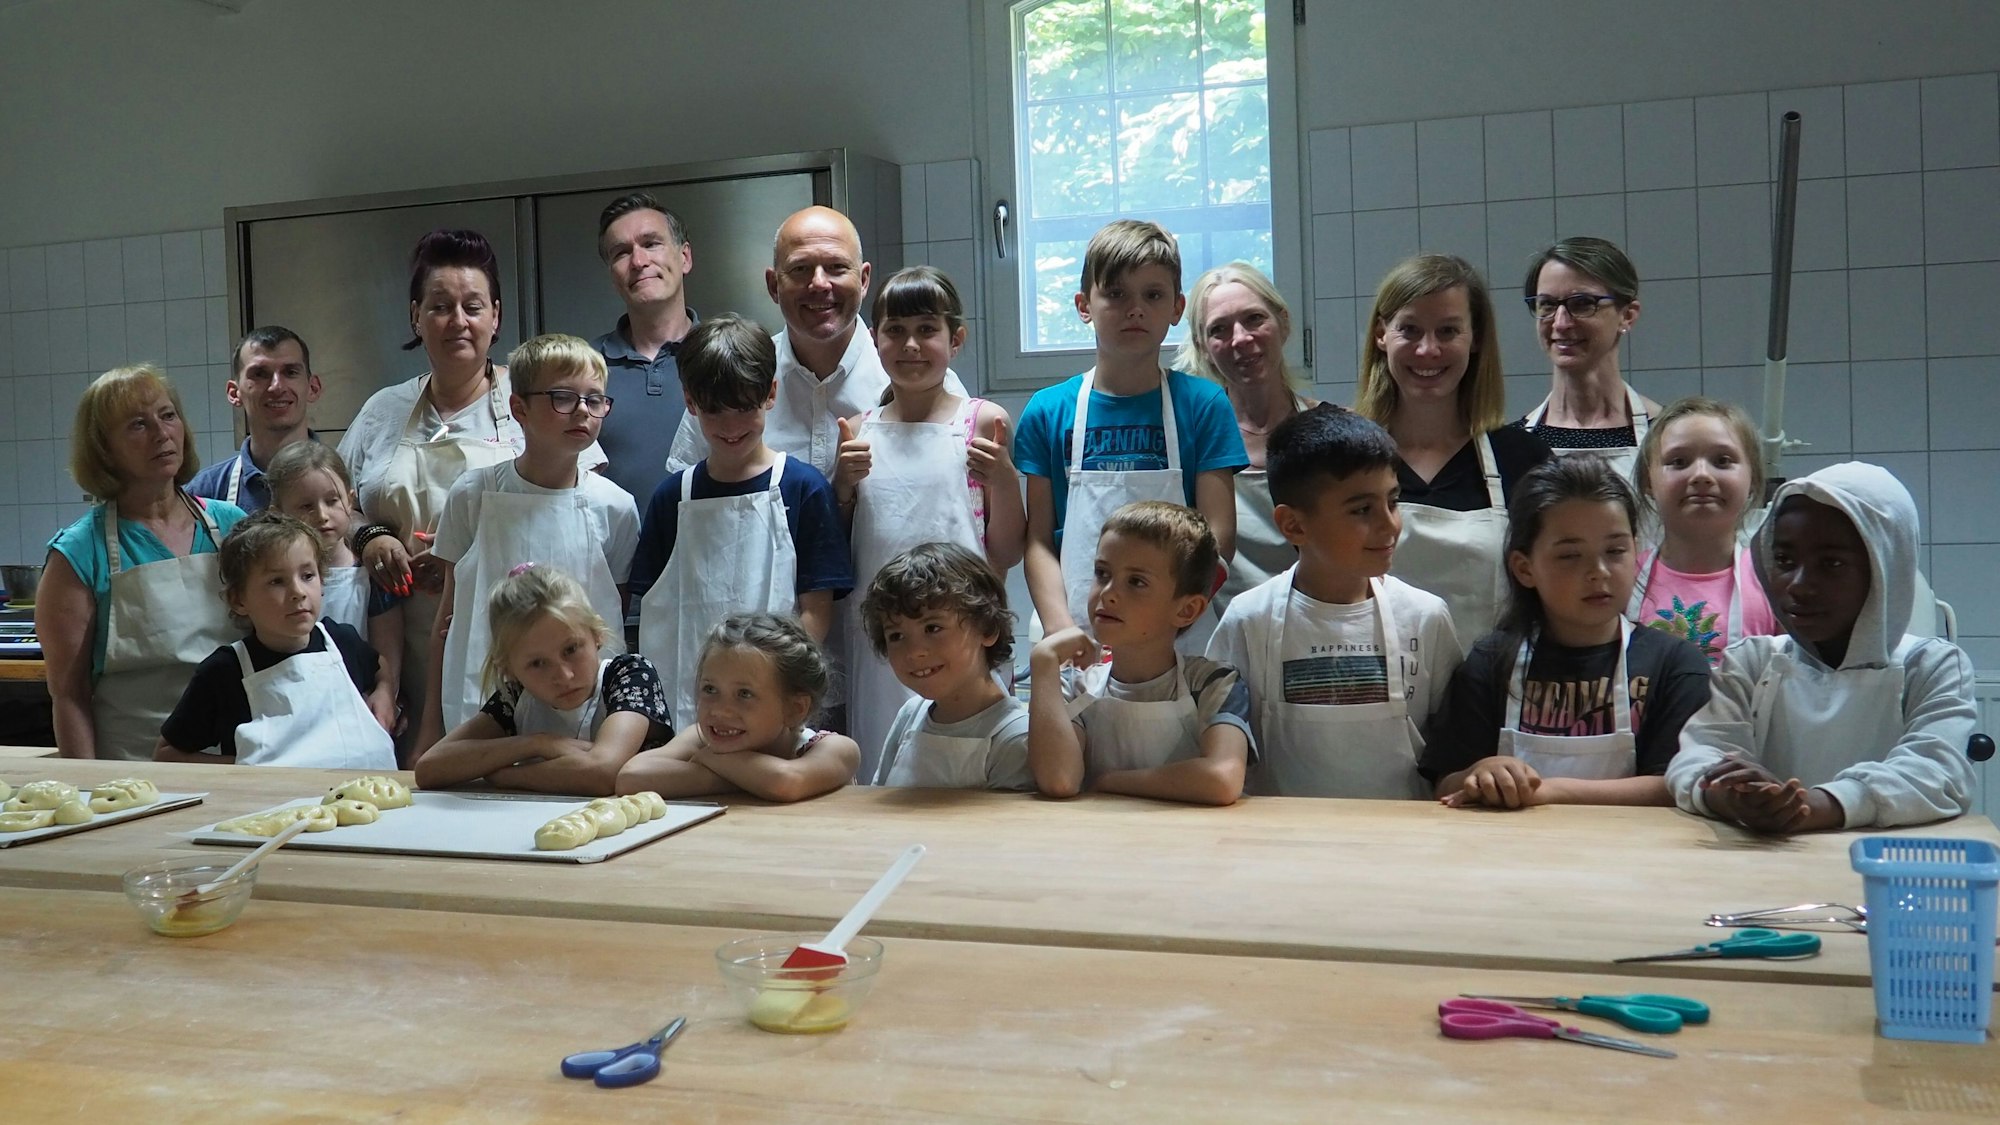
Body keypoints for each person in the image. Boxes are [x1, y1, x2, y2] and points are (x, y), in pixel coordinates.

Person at [341, 229, 608, 744]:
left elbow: (581, 512)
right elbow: (339, 506)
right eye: (440, 306)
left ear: (496, 317)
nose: (458, 321)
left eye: (473, 306)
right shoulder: (383, 410)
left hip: (515, 631)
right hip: (395, 634)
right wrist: (371, 537)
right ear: (416, 316)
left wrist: (466, 558)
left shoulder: (536, 400)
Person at [1667, 463, 1977, 832]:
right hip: (1760, 868)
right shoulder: (1750, 662)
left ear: (1885, 569)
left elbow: (1937, 774)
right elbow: (1699, 755)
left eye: (1831, 563)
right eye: (1784, 560)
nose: (1798, 584)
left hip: (1882, 872)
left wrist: (1813, 805)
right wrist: (1730, 794)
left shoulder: (1931, 666)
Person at [1421, 456, 1712, 809]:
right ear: (1524, 568)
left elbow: (1676, 785)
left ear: (1636, 550)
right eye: (1570, 556)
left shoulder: (1675, 665)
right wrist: (1483, 772)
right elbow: (1446, 784)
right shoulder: (1490, 663)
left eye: (1615, 551)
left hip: (1634, 859)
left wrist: (1550, 791)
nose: (1598, 571)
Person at [1014, 220, 1249, 647]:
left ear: (1177, 308)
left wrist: (1171, 622)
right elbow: (1039, 541)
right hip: (1079, 638)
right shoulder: (1048, 411)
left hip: (1180, 639)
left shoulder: (1203, 405)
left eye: (1153, 295)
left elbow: (1219, 536)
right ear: (1084, 305)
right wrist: (1060, 627)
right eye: (1116, 294)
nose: (1135, 308)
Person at [1208, 405, 1460, 798]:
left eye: (1392, 502)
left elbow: (1452, 755)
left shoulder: (1425, 617)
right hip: (1285, 845)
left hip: (1404, 843)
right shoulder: (1248, 621)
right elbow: (1220, 747)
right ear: (1293, 524)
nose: (1389, 524)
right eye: (1362, 510)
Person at [833, 266, 1026, 772]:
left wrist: (1004, 478)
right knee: (886, 765)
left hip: (962, 633)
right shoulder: (857, 430)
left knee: (971, 760)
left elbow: (1006, 552)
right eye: (896, 331)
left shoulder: (983, 422)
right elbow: (840, 548)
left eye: (926, 330)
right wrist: (843, 487)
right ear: (875, 340)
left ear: (955, 339)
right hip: (885, 640)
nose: (911, 345)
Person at [632, 315, 852, 731]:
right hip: (683, 710)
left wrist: (773, 689)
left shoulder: (802, 489)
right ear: (691, 402)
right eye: (714, 411)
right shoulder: (671, 498)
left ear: (770, 394)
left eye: (743, 407)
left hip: (772, 707)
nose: (730, 426)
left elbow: (816, 615)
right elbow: (650, 610)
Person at [426, 334, 640, 746]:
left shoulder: (614, 506)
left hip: (585, 706)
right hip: (484, 704)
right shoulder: (473, 494)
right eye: (563, 397)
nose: (582, 411)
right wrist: (431, 728)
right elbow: (446, 621)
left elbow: (614, 611)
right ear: (519, 408)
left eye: (594, 400)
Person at [37, 365, 249, 760]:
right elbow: (70, 695)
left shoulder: (232, 526)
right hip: (136, 769)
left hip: (236, 757)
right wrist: (87, 791)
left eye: (168, 416)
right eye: (138, 424)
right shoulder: (80, 553)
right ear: (104, 449)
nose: (161, 433)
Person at [664, 206, 963, 480]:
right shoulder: (732, 374)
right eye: (800, 269)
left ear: (863, 279)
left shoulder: (922, 378)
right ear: (773, 285)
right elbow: (684, 492)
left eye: (836, 267)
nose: (819, 283)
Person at [1354, 255, 1551, 646]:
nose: (1428, 350)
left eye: (1447, 331)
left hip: (1490, 693)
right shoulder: (1346, 460)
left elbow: (1548, 597)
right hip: (1373, 691)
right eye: (1409, 330)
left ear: (1476, 338)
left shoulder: (1523, 460)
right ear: (1381, 334)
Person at [1028, 501, 1254, 806]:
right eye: (1102, 573)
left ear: (1187, 609)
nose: (1108, 593)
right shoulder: (1075, 685)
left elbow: (1221, 778)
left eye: (1136, 582)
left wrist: (1109, 780)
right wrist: (1043, 663)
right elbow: (1060, 779)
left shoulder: (1214, 683)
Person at [154, 512, 394, 767]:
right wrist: (242, 767)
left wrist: (385, 693)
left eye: (307, 575)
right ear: (239, 600)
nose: (298, 593)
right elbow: (166, 754)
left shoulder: (342, 641)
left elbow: (381, 668)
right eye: (276, 581)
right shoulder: (224, 671)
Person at [416, 564, 672, 794]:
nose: (564, 675)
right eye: (537, 663)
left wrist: (506, 775)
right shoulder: (517, 697)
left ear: (596, 635)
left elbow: (602, 773)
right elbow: (429, 768)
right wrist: (536, 744)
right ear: (509, 670)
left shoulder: (630, 675)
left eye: (571, 649)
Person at [1174, 263, 1320, 614]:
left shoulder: (1331, 430)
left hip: (1314, 628)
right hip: (1216, 637)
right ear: (1202, 346)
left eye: (1254, 319)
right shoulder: (1187, 440)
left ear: (1283, 323)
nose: (1240, 339)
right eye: (1219, 329)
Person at [615, 613, 861, 801]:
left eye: (744, 694)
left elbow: (786, 782)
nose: (720, 711)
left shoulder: (835, 748)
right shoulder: (702, 738)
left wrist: (709, 761)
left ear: (795, 709)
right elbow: (630, 777)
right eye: (710, 690)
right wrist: (741, 777)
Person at [861, 543, 1032, 790]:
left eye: (933, 628)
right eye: (896, 636)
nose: (915, 651)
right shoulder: (910, 715)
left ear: (987, 629)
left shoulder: (1014, 737)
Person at [265, 442, 406, 737]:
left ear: (350, 500)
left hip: (360, 714)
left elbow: (387, 656)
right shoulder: (269, 581)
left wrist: (385, 695)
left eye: (332, 501)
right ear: (277, 512)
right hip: (292, 715)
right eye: (305, 506)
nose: (322, 515)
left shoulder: (370, 578)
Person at [1630, 397, 1780, 664]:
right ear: (1647, 481)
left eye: (1722, 461)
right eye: (1678, 462)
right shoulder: (1624, 580)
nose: (1701, 475)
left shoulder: (1773, 584)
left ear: (1754, 480)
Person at [1518, 237, 1662, 480]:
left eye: (1583, 304)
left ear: (1627, 315)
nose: (1561, 322)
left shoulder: (1666, 436)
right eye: (1547, 305)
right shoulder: (1513, 446)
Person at [592, 193, 699, 505]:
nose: (639, 262)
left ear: (685, 257)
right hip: (612, 555)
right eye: (621, 253)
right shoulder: (582, 370)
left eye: (651, 243)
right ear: (612, 274)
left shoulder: (725, 358)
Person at [188, 326, 323, 513]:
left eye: (290, 372)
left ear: (313, 388)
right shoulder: (206, 493)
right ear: (234, 393)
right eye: (260, 374)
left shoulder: (345, 479)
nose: (277, 387)